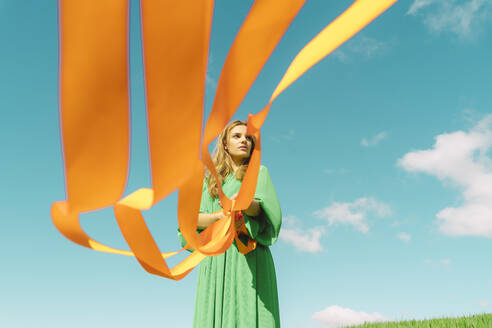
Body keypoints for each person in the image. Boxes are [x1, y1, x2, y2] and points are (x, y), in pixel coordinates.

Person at [177, 119, 282, 327]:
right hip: (216, 261)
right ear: (225, 143)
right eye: (237, 136)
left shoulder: (258, 173)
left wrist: (242, 204)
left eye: (248, 138)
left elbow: (262, 209)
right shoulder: (210, 183)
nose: (244, 140)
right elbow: (189, 220)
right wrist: (216, 218)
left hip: (248, 258)